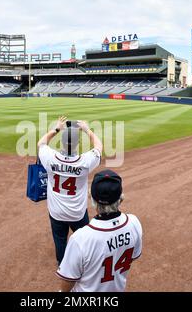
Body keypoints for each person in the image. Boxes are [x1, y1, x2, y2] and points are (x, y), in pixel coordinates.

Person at [56, 169, 143, 292]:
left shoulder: (80, 239)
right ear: (120, 198)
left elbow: (68, 281)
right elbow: (133, 256)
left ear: (92, 199)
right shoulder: (134, 223)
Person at [38, 116, 103, 265]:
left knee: (60, 241)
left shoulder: (50, 158)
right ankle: (86, 263)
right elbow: (99, 147)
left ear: (61, 142)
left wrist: (56, 129)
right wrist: (87, 130)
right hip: (78, 213)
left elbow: (41, 143)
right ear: (78, 144)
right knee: (84, 241)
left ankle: (63, 266)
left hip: (56, 212)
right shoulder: (85, 161)